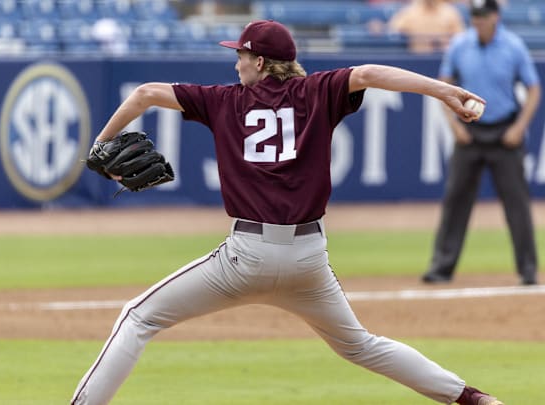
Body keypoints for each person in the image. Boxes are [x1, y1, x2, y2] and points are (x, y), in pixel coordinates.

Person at [71, 20, 504, 405]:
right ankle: (469, 397)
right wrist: (445, 90)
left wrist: (99, 146)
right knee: (361, 346)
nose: (236, 62)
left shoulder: (224, 101)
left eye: (240, 54)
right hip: (308, 260)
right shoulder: (317, 91)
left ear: (260, 62)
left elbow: (144, 93)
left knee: (138, 316)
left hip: (245, 257)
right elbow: (371, 73)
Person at [422, 0, 540, 286]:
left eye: (483, 16)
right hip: (469, 132)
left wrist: (519, 127)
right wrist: (454, 126)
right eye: (474, 16)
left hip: (504, 133)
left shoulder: (513, 46)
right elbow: (443, 85)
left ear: (495, 16)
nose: (478, 21)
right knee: (456, 201)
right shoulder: (460, 45)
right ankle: (441, 268)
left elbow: (533, 89)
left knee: (517, 203)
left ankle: (527, 270)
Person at [387, 0, 465, 53]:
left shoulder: (450, 12)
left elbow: (460, 38)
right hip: (416, 60)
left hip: (442, 59)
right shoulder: (409, 12)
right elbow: (394, 32)